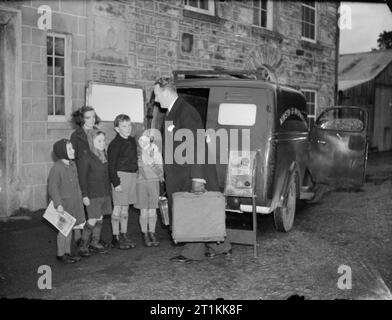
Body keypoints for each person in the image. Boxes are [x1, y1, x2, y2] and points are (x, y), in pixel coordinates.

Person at [153, 77, 232, 263]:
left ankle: (192, 252)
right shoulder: (173, 111)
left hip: (190, 173)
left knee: (192, 212)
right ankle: (221, 247)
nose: (156, 100)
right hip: (180, 173)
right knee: (200, 211)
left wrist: (198, 178)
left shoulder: (185, 111)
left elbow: (196, 145)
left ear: (166, 92)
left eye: (157, 95)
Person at [47, 139, 86, 264]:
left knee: (69, 228)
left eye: (72, 148)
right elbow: (53, 188)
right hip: (64, 205)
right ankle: (61, 254)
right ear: (62, 151)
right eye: (70, 149)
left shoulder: (72, 165)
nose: (73, 150)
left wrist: (81, 197)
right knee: (64, 231)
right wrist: (58, 204)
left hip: (74, 202)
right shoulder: (57, 168)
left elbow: (76, 184)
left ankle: (67, 252)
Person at [77, 130, 111, 255]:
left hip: (103, 193)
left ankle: (94, 242)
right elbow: (82, 178)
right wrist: (84, 195)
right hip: (92, 194)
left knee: (100, 218)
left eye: (103, 141)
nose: (102, 143)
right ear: (91, 142)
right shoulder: (86, 157)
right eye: (99, 141)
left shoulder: (103, 155)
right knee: (92, 219)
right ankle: (83, 245)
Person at [107, 114, 138, 249]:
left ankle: (124, 234)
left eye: (129, 125)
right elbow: (111, 166)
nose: (128, 128)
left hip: (131, 177)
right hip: (120, 178)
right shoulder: (115, 144)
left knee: (126, 208)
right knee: (118, 208)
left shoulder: (132, 141)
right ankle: (115, 236)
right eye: (124, 126)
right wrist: (116, 183)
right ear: (117, 129)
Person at [135, 132, 164, 247]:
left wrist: (152, 162)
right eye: (141, 140)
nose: (143, 142)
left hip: (153, 182)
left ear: (150, 141)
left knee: (152, 209)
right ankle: (144, 233)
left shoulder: (156, 153)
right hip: (141, 183)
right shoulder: (136, 154)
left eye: (146, 140)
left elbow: (161, 171)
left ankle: (152, 233)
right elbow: (134, 169)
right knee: (143, 210)